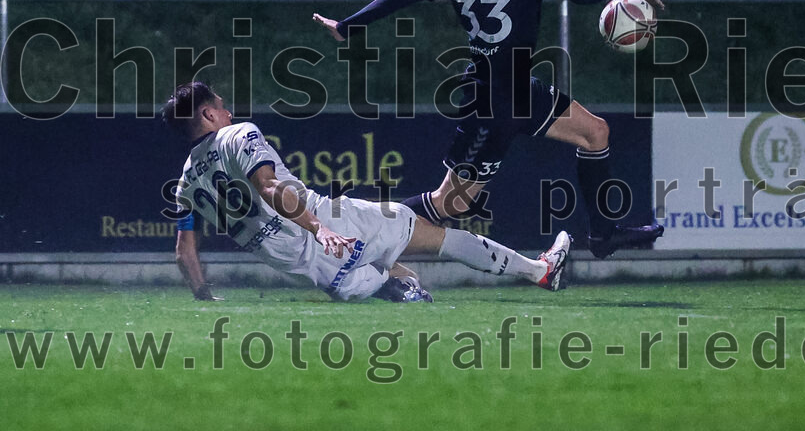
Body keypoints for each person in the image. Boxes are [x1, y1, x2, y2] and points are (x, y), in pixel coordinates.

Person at [313, 0, 665, 258]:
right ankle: (350, 222)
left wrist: (349, 25)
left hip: (517, 92)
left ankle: (603, 235)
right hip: (491, 106)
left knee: (596, 132)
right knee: (450, 204)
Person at [162, 82, 571, 302]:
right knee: (436, 234)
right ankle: (540, 272)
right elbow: (269, 187)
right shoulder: (237, 134)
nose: (228, 110)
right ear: (208, 114)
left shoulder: (185, 182)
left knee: (399, 281)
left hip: (316, 273)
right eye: (221, 105)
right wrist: (318, 227)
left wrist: (203, 296)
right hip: (331, 223)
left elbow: (185, 251)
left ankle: (395, 287)